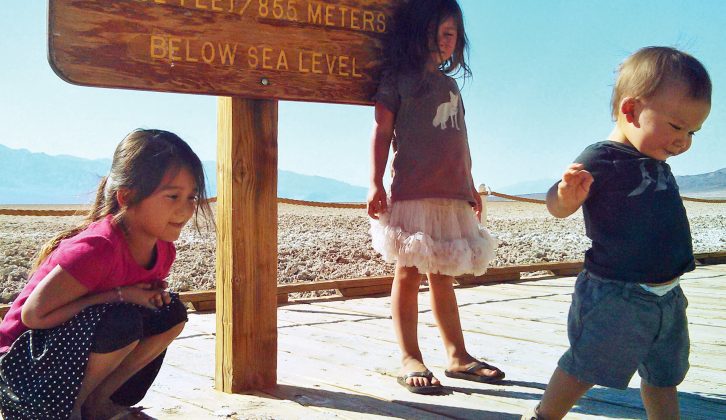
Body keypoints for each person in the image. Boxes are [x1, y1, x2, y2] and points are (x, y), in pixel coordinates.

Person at [523, 47, 712, 419]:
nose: (683, 141)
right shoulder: (601, 158)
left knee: (663, 375)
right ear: (630, 111)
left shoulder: (654, 156)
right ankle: (544, 415)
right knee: (585, 365)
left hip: (667, 294)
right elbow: (554, 205)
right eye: (676, 126)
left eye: (693, 132)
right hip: (617, 294)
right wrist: (565, 195)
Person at [0, 129, 212, 420]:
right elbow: (33, 317)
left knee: (169, 312)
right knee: (120, 320)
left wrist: (147, 295)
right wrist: (120, 295)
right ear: (127, 197)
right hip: (21, 367)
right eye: (173, 196)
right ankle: (67, 410)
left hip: (67, 352)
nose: (186, 209)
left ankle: (97, 403)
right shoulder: (97, 249)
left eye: (192, 197)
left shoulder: (163, 249)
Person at [367, 0, 503, 394]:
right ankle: (410, 355)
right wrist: (375, 181)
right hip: (413, 190)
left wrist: (470, 185)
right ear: (419, 31)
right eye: (440, 32)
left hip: (451, 192)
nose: (447, 41)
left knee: (443, 274)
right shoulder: (398, 79)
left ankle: (457, 355)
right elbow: (381, 130)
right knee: (408, 273)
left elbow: (459, 138)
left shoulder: (450, 85)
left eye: (453, 35)